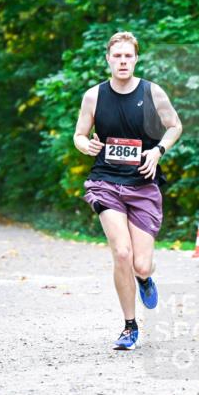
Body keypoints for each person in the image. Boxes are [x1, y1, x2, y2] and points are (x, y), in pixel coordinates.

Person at [73, 31, 183, 350]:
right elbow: (79, 135)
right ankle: (129, 327)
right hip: (105, 181)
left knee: (141, 264)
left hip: (143, 185)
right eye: (117, 56)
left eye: (128, 56)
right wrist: (87, 145)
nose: (122, 61)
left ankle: (145, 279)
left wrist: (158, 150)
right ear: (108, 59)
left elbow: (175, 125)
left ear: (136, 58)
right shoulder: (94, 96)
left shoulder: (152, 92)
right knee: (121, 253)